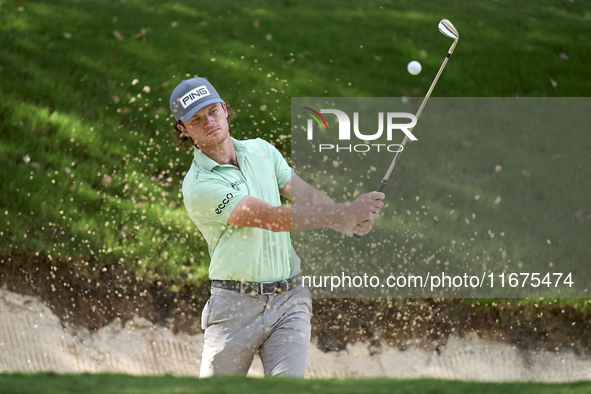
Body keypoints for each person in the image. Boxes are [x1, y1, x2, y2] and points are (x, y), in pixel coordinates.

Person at [169, 77, 384, 377]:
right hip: (234, 308)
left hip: (289, 301)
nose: (209, 122)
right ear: (183, 130)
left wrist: (347, 222)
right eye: (196, 119)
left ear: (225, 109)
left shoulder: (262, 151)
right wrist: (348, 210)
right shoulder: (200, 185)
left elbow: (307, 196)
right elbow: (272, 218)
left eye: (213, 111)